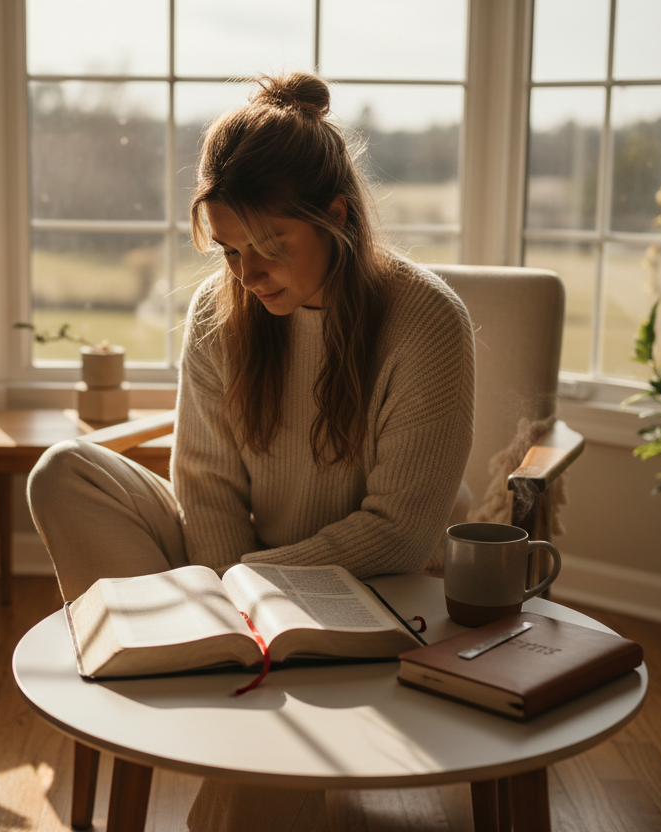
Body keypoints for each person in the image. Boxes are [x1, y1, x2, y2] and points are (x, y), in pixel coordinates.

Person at [28, 71, 475, 832]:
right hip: (235, 568)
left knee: (243, 817)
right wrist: (228, 599)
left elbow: (400, 531)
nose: (246, 274)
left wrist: (238, 585)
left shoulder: (425, 320)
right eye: (230, 250)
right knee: (63, 473)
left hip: (367, 581)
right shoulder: (220, 308)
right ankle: (190, 671)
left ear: (336, 217)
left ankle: (215, 713)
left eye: (269, 247)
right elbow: (204, 487)